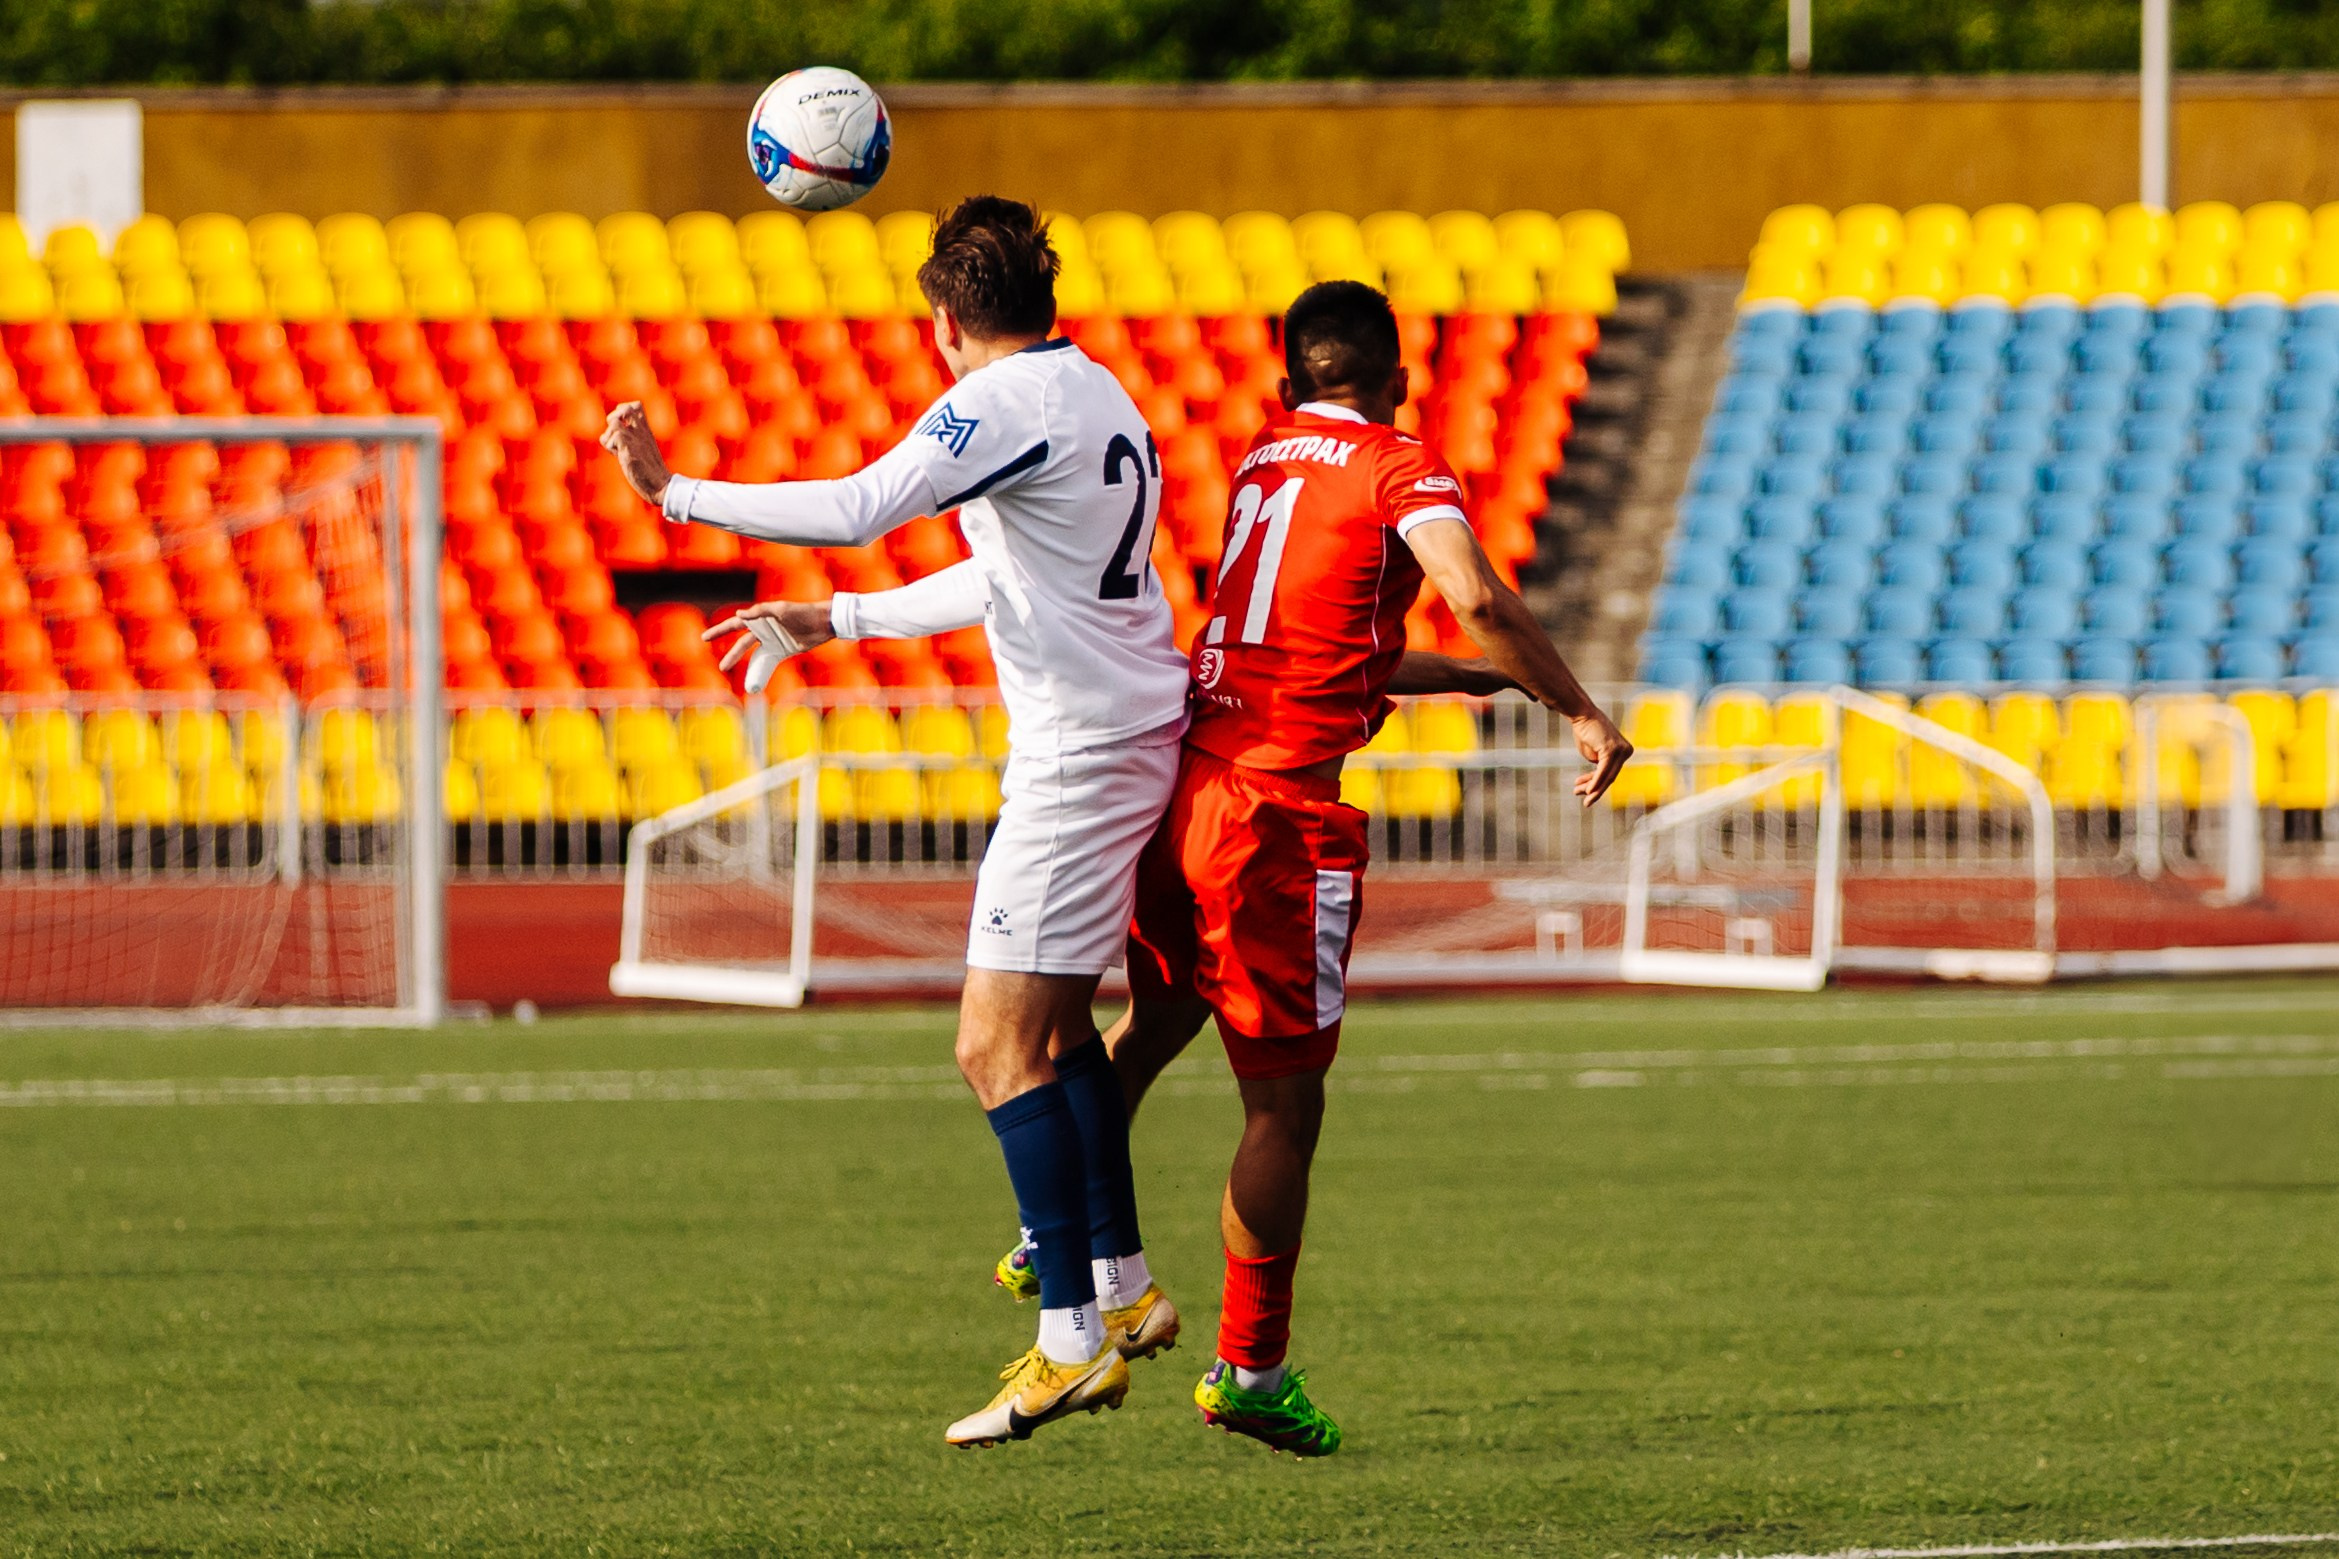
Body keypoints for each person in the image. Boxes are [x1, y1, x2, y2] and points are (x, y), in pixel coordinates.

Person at [1007, 278, 1633, 1456]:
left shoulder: (1263, 455)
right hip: (1272, 821)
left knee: (1157, 1016)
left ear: (1290, 378)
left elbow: (1317, 647)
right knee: (1283, 1104)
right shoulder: (1399, 465)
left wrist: (1478, 679)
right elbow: (1474, 591)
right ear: (1397, 379)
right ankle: (1249, 1366)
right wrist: (1578, 708)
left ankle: (1061, 1232)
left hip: (1182, 782)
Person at [599, 195, 1187, 1449]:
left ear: (942, 324)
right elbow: (1010, 575)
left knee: (991, 1047)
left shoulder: (1000, 401)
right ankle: (1122, 1286)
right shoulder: (1091, 388)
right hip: (1123, 729)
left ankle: (1070, 1344)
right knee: (1056, 1031)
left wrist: (674, 492)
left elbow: (861, 503)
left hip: (1080, 755)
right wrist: (842, 619)